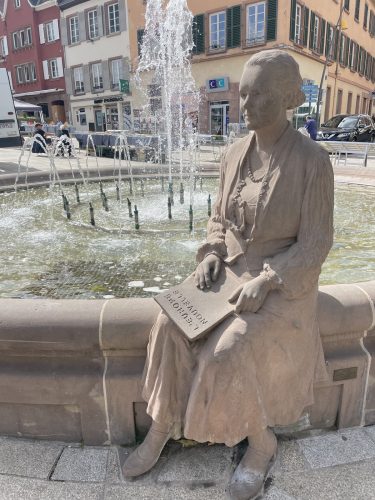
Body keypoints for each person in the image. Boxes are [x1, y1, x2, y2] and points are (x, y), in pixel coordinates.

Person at [123, 50, 334, 500]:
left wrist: (270, 279)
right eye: (244, 93)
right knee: (167, 325)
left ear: (285, 99)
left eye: (258, 95)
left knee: (227, 350)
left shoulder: (313, 161)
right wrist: (212, 253)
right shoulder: (233, 153)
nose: (246, 104)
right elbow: (218, 218)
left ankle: (261, 441)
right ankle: (162, 426)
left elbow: (316, 243)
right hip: (231, 271)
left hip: (280, 286)